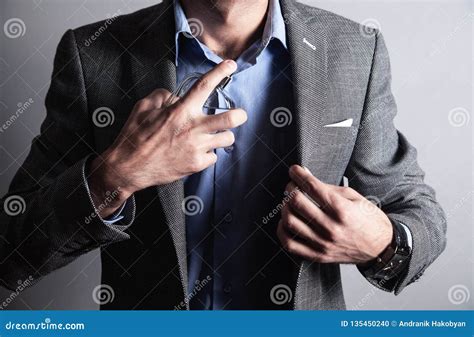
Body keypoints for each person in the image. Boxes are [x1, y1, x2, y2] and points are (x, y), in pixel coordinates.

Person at [0, 0, 446, 309]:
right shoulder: (91, 54)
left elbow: (417, 209)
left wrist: (382, 244)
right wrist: (113, 177)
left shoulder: (354, 51)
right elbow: (13, 248)